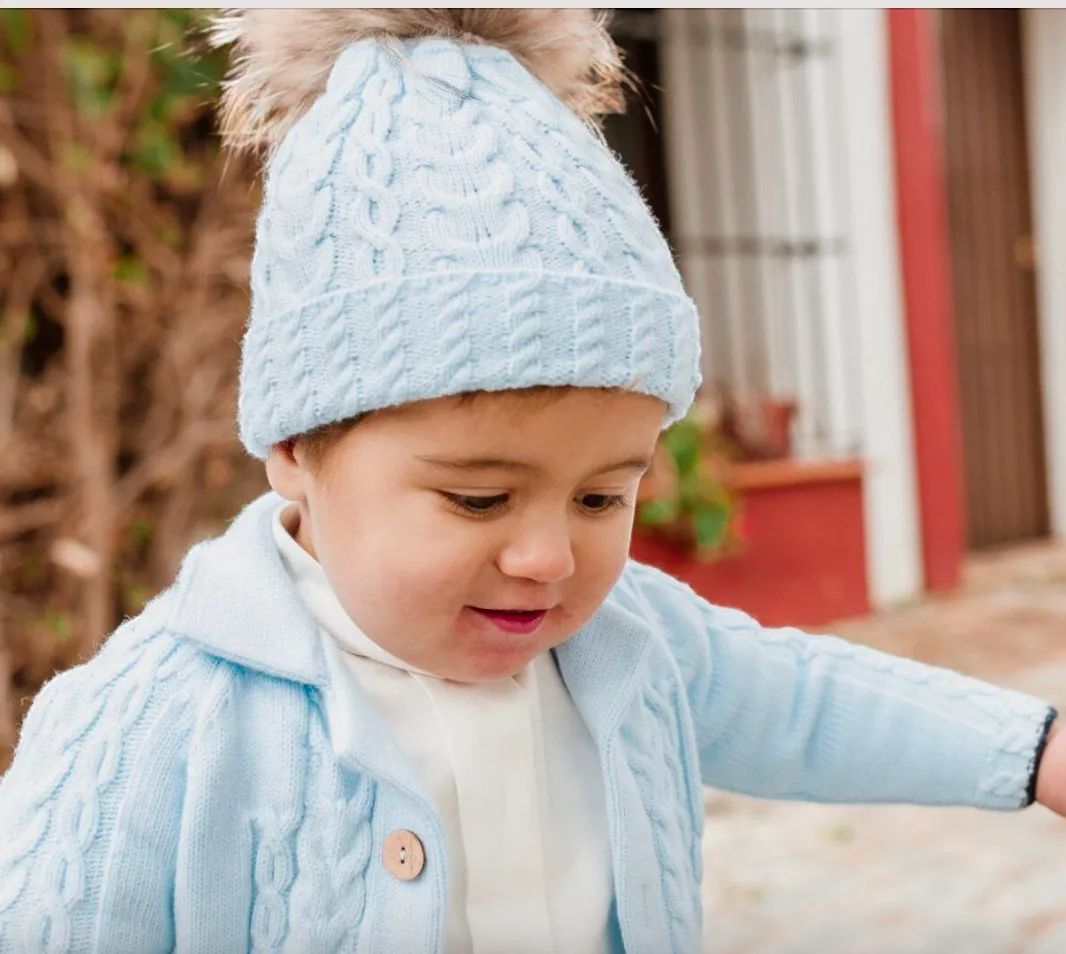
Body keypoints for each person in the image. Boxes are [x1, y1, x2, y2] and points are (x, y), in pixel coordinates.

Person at [1, 10, 1064, 953]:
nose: (548, 559)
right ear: (293, 445)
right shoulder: (152, 722)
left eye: (603, 496)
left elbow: (806, 703)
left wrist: (1033, 750)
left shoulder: (627, 643)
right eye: (478, 497)